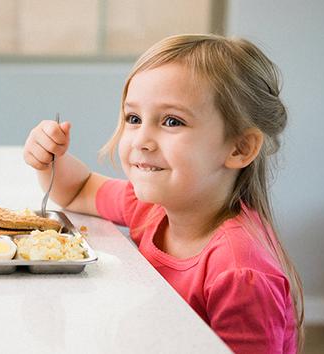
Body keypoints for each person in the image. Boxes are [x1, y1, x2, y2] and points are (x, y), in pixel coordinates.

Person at [23, 34, 304, 353]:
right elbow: (77, 190)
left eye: (172, 121)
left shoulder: (239, 274)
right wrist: (50, 159)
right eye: (134, 118)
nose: (142, 139)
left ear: (240, 148)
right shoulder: (150, 208)